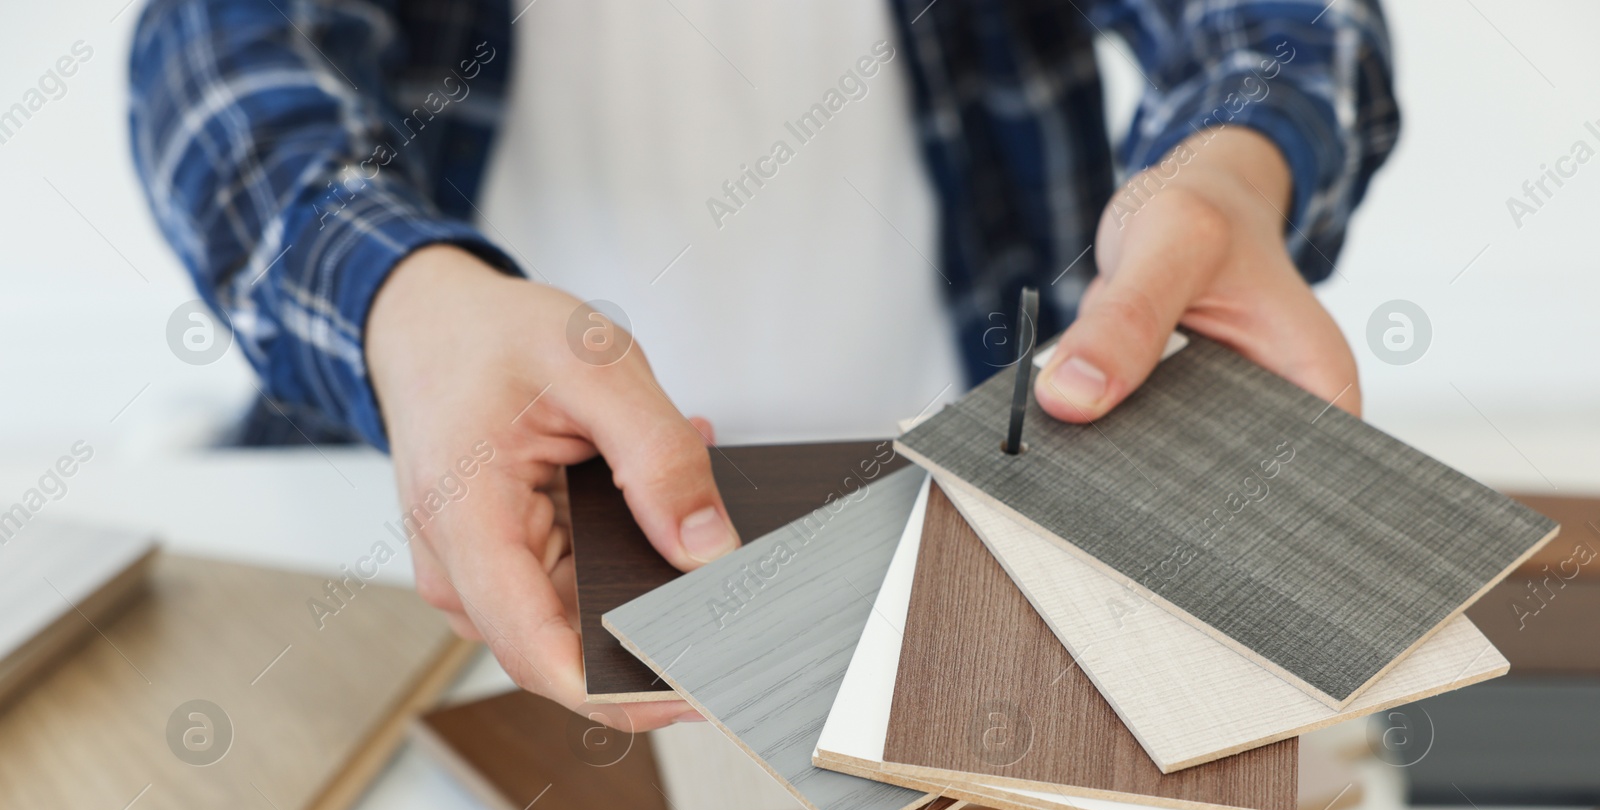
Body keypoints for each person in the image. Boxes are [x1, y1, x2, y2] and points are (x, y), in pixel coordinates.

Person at [130, 0, 1398, 730]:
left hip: (979, 536)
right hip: (451, 513)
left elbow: (1284, 19)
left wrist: (1239, 157)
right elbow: (221, 53)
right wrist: (398, 302)